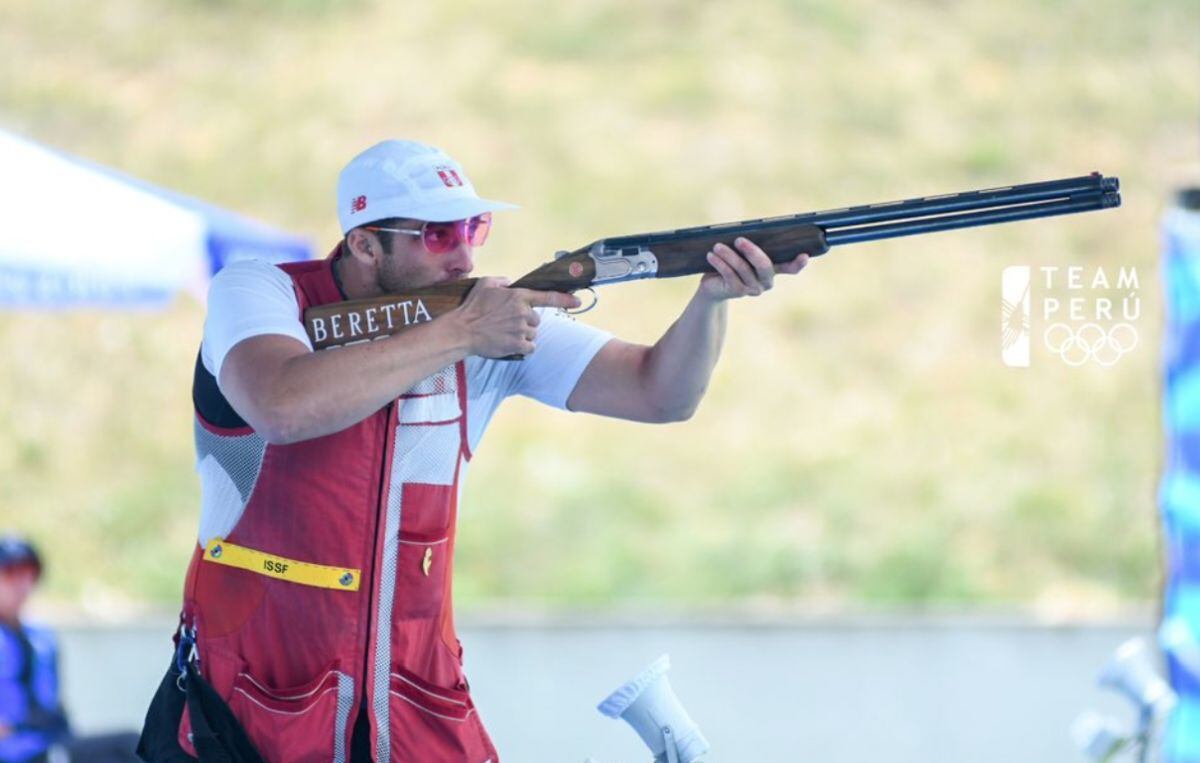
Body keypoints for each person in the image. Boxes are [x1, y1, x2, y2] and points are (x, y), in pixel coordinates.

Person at [137, 140, 810, 762]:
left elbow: (660, 393)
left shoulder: (484, 322)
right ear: (366, 245)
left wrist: (711, 299)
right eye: (437, 235)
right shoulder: (261, 291)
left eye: (473, 230)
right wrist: (461, 332)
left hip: (415, 698)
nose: (463, 256)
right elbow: (282, 405)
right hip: (252, 701)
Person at [0, 537, 139, 763]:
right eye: (9, 573)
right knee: (125, 746)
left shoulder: (41, 637)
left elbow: (53, 702)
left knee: (132, 747)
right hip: (15, 752)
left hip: (50, 743)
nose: (20, 584)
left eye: (27, 573)